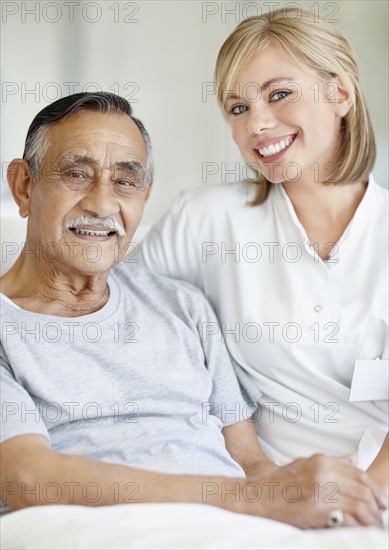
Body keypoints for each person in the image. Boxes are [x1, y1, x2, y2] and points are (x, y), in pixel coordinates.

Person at [2, 92, 385, 529]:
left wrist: (313, 493)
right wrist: (250, 499)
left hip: (236, 529)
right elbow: (27, 478)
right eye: (76, 174)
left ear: (145, 196)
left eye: (126, 182)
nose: (103, 204)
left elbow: (251, 464)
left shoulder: (180, 305)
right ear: (24, 186)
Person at [139, 8, 388, 494]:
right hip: (251, 492)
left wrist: (364, 496)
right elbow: (108, 307)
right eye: (238, 108)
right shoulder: (208, 219)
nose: (257, 123)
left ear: (340, 93)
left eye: (280, 94)